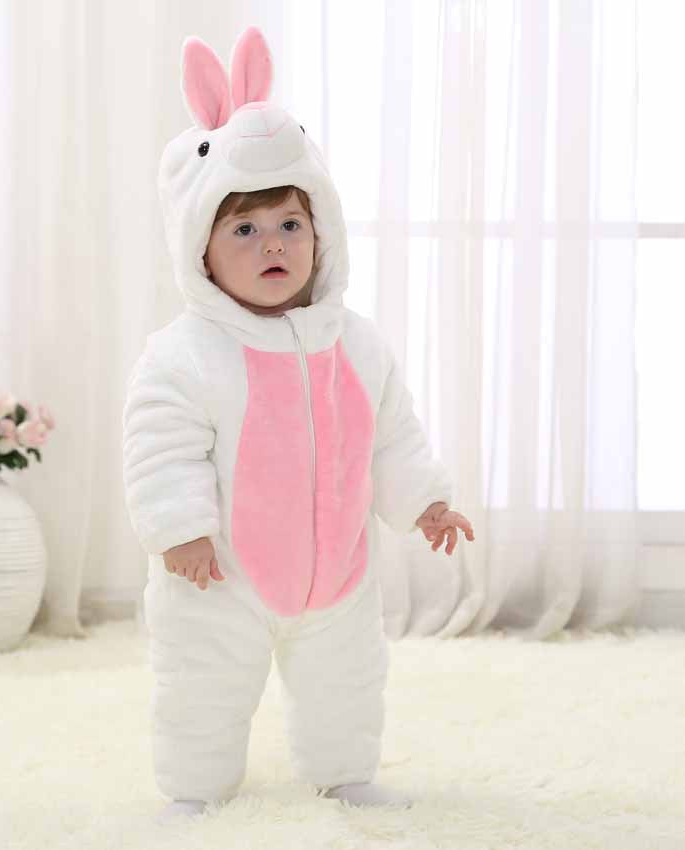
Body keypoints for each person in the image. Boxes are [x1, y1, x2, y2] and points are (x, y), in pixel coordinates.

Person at [122, 26, 474, 825]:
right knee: (202, 685)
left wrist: (425, 501)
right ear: (200, 251)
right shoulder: (186, 353)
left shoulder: (355, 343)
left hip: (337, 574)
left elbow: (391, 434)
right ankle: (195, 788)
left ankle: (345, 774)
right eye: (243, 230)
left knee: (348, 679)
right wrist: (179, 529)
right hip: (218, 577)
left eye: (290, 224)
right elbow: (160, 446)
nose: (272, 244)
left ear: (322, 235)